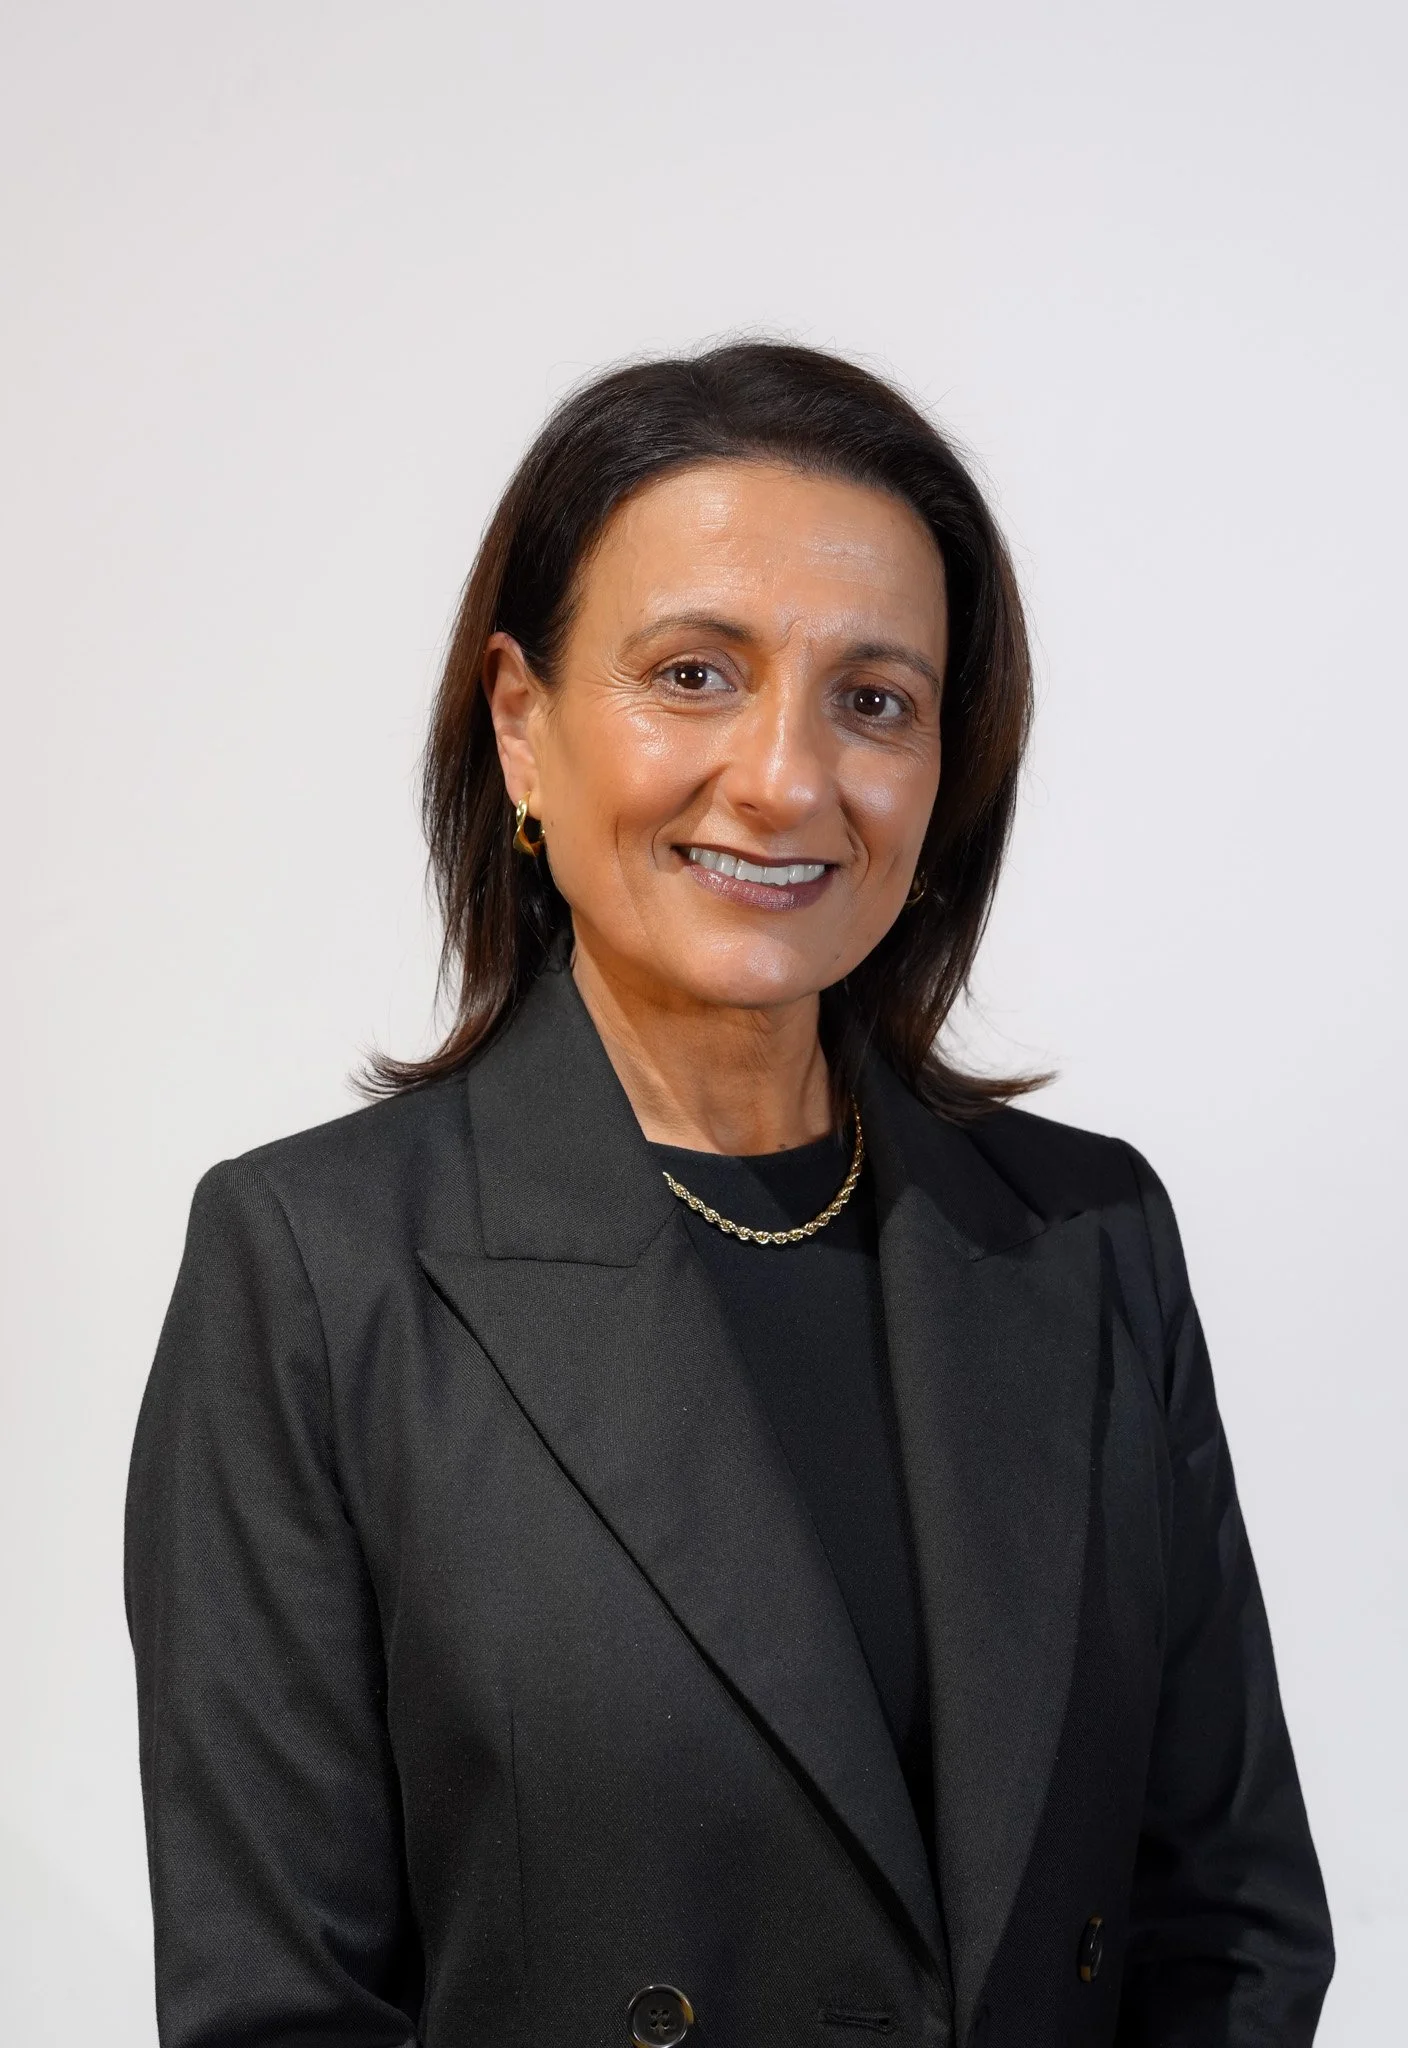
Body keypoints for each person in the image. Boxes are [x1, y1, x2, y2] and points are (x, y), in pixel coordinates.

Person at [124, 341, 1333, 2048]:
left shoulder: (1088, 1240)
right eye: (694, 674)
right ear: (521, 725)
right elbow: (279, 2008)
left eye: (875, 700)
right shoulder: (320, 1271)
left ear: (942, 774)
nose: (784, 777)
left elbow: (1230, 1931)